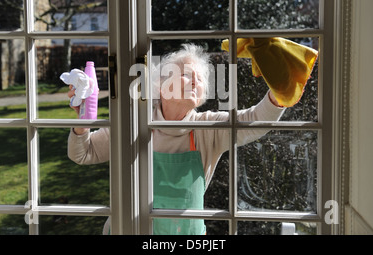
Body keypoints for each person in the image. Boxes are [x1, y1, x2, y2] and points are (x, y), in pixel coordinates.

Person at [67, 44, 289, 235]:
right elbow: (82, 154)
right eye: (185, 74)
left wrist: (282, 89)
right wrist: (82, 125)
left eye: (200, 79)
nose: (195, 81)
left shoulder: (207, 128)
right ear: (160, 86)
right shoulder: (134, 124)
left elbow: (255, 120)